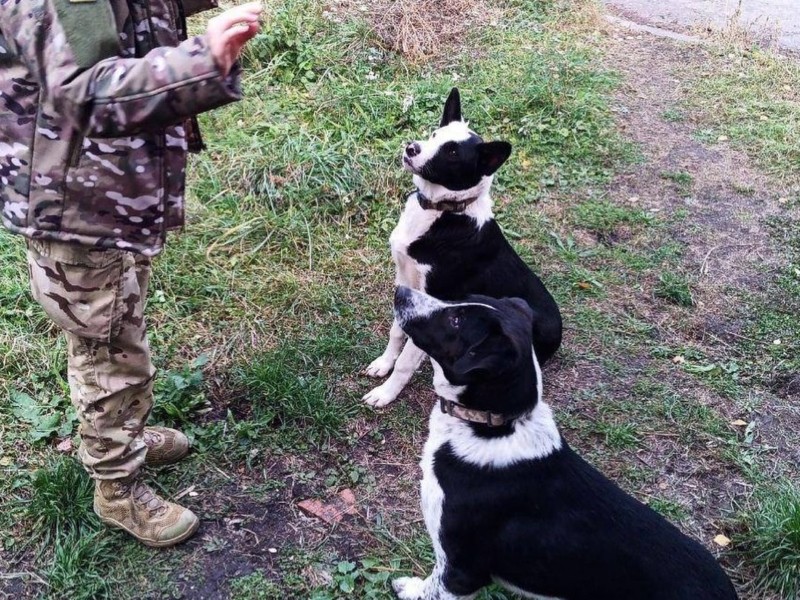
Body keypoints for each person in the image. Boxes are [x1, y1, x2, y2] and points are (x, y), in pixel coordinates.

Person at [0, 0, 262, 547]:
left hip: (106, 185)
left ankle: (125, 437)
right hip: (76, 202)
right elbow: (84, 89)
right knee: (108, 350)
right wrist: (201, 60)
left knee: (122, 323)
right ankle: (116, 486)